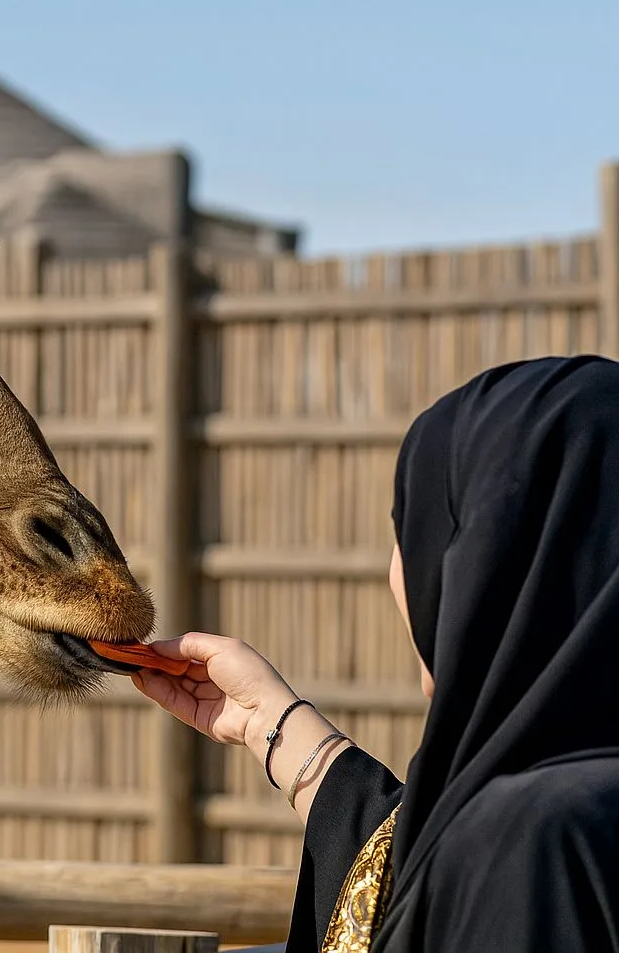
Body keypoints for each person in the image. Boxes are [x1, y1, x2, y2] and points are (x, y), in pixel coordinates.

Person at [133, 354, 619, 952]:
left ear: (489, 565)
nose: (398, 571)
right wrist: (273, 726)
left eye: (412, 532)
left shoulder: (536, 846)